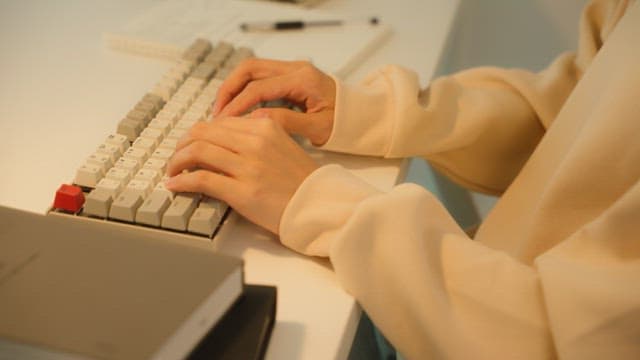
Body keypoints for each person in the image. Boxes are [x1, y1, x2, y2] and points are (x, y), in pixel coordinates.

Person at [165, 0, 640, 358]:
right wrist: (371, 113)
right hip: (462, 291)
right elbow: (571, 117)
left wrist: (320, 204)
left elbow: (556, 343)